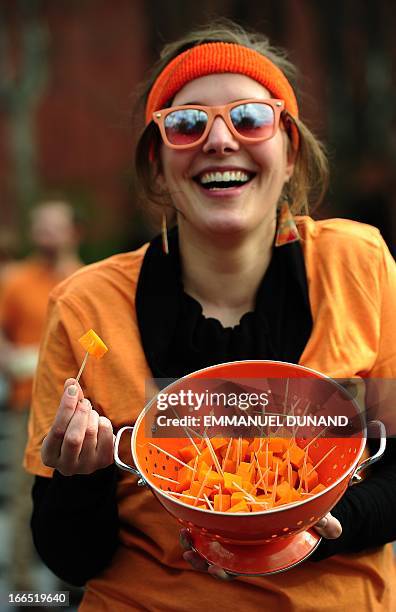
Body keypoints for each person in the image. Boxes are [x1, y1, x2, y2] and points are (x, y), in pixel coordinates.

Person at [24, 21, 396, 611]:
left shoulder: (360, 265)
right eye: (188, 124)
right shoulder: (85, 307)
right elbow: (70, 558)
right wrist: (81, 480)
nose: (220, 142)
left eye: (249, 118)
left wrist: (314, 531)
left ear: (291, 147)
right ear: (157, 162)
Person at [0, 199, 82, 591]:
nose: (47, 234)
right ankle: (22, 586)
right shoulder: (15, 281)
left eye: (55, 226)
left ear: (73, 232)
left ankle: (72, 582)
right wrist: (11, 358)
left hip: (79, 410)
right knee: (23, 497)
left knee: (75, 492)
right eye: (41, 227)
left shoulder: (89, 281)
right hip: (25, 403)